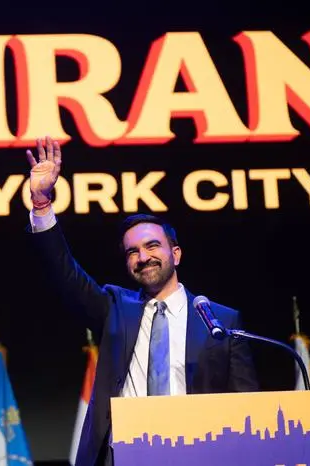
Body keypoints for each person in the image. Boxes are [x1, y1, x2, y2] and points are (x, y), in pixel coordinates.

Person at [24, 136, 259, 466]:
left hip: (201, 455)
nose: (143, 257)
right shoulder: (116, 308)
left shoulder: (219, 322)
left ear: (175, 254)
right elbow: (66, 274)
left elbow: (247, 405)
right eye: (132, 252)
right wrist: (42, 204)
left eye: (152, 246)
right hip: (125, 455)